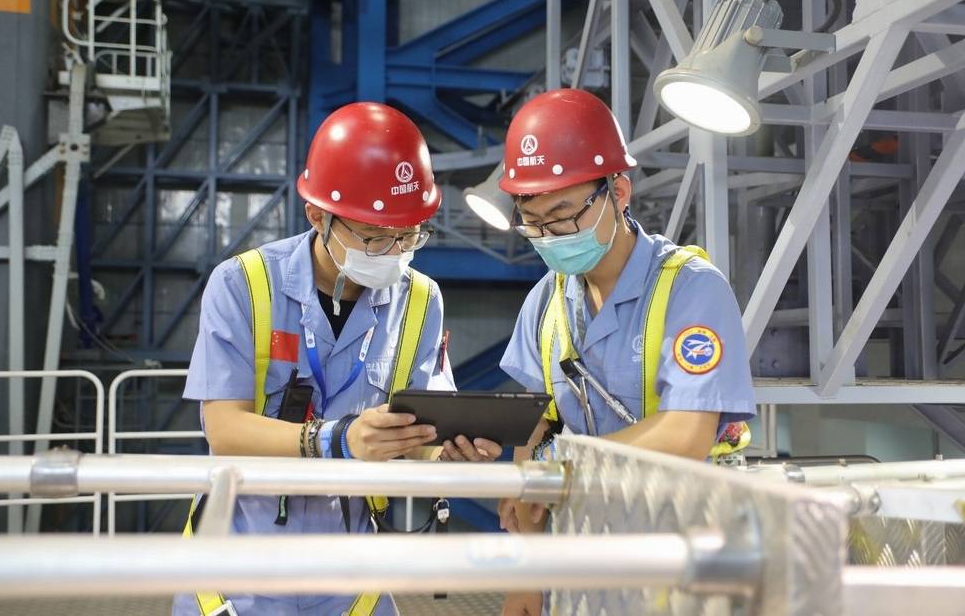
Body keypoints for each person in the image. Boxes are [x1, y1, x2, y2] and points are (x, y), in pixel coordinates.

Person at [173, 102, 501, 616]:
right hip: (237, 559)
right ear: (317, 216)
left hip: (351, 566)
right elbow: (224, 428)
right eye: (373, 236)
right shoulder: (244, 284)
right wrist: (336, 439)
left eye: (409, 234)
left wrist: (448, 454)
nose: (394, 250)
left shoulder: (421, 300)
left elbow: (421, 435)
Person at [491, 89, 756, 616]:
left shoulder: (690, 289)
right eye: (534, 221)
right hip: (584, 547)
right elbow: (533, 426)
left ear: (618, 191)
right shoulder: (545, 299)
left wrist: (561, 472)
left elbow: (685, 434)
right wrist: (526, 571)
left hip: (688, 547)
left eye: (564, 213)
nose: (551, 236)